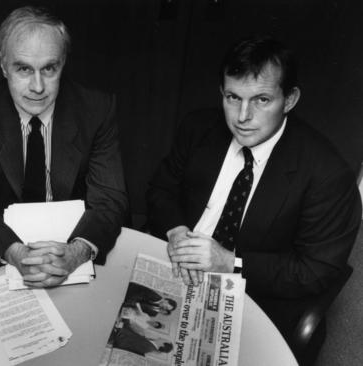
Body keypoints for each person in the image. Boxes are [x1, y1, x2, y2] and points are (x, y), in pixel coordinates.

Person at [147, 36, 361, 348]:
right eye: (233, 98)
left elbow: (315, 270)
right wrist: (177, 230)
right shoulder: (198, 128)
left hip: (256, 298)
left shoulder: (327, 174)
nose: (243, 117)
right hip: (177, 270)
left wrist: (230, 262)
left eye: (261, 100)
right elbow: (161, 188)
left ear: (289, 99)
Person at [0, 6, 128, 288]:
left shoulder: (96, 109)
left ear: (63, 63)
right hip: (2, 241)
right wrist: (16, 254)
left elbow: (109, 197)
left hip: (70, 238)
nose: (38, 86)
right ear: (2, 64)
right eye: (23, 68)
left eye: (49, 68)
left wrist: (76, 253)